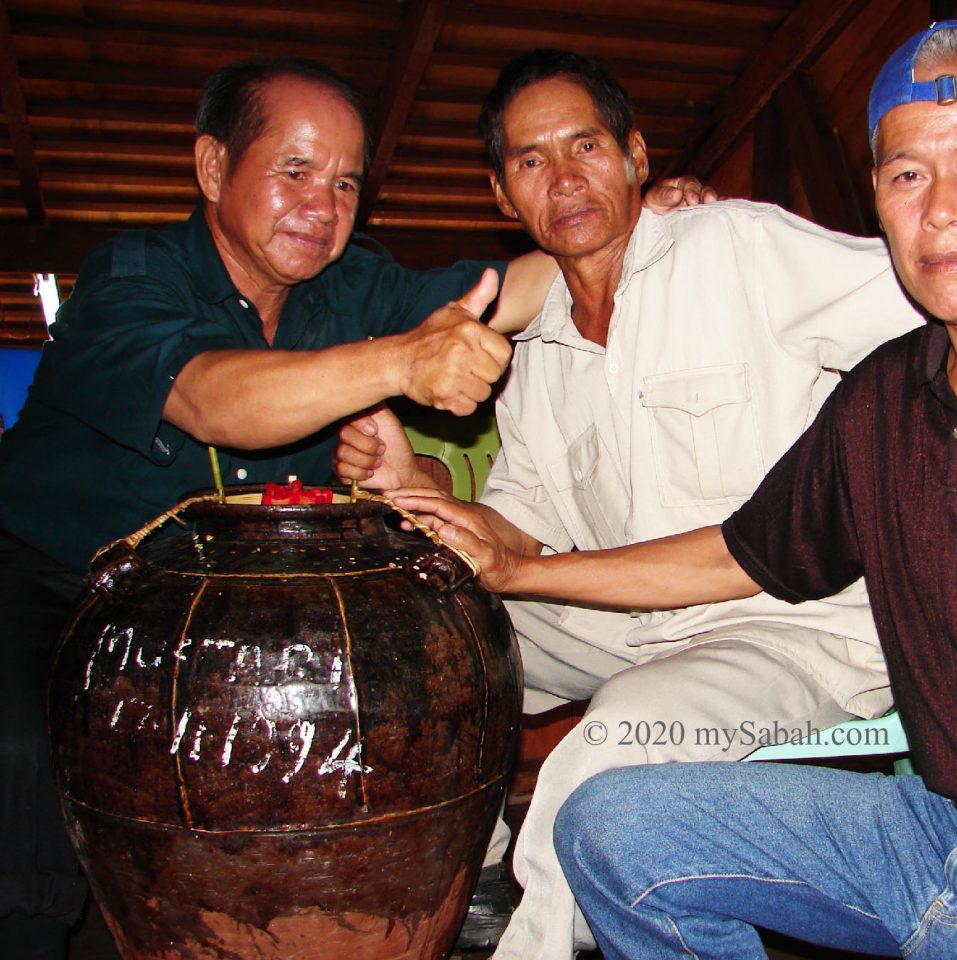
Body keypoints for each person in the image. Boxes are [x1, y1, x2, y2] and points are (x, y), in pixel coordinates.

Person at [343, 47, 957, 960]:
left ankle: (533, 942)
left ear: (636, 156)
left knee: (606, 749)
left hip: (789, 624)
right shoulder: (545, 346)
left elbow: (935, 274)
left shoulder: (737, 248)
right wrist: (429, 498)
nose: (565, 178)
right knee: (441, 637)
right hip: (679, 631)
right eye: (532, 162)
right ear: (504, 192)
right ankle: (464, 870)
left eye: (585, 146)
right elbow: (537, 530)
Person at [0, 56, 699, 959]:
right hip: (62, 581)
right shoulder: (130, 276)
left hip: (239, 614)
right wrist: (401, 363)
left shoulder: (350, 286)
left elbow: (514, 289)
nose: (322, 206)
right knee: (22, 748)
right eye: (293, 172)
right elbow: (213, 399)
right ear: (215, 169)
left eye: (343, 183)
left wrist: (635, 227)